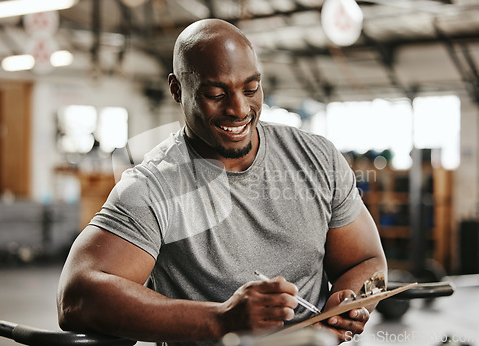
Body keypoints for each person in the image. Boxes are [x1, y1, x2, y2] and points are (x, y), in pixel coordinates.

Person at [57, 18, 387, 345]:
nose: (239, 109)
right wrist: (222, 320)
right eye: (216, 93)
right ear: (177, 90)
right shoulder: (153, 186)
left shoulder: (317, 157)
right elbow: (76, 296)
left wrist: (346, 306)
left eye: (251, 88)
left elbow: (366, 260)